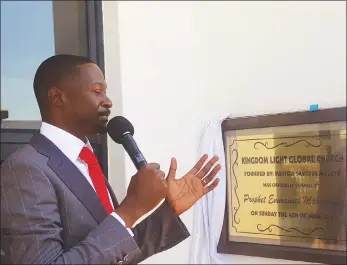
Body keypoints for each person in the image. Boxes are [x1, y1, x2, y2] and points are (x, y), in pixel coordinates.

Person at [0, 54, 221, 264]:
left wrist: (168, 211)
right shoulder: (25, 169)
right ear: (58, 98)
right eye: (97, 91)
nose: (108, 101)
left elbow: (115, 255)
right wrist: (131, 208)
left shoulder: (85, 161)